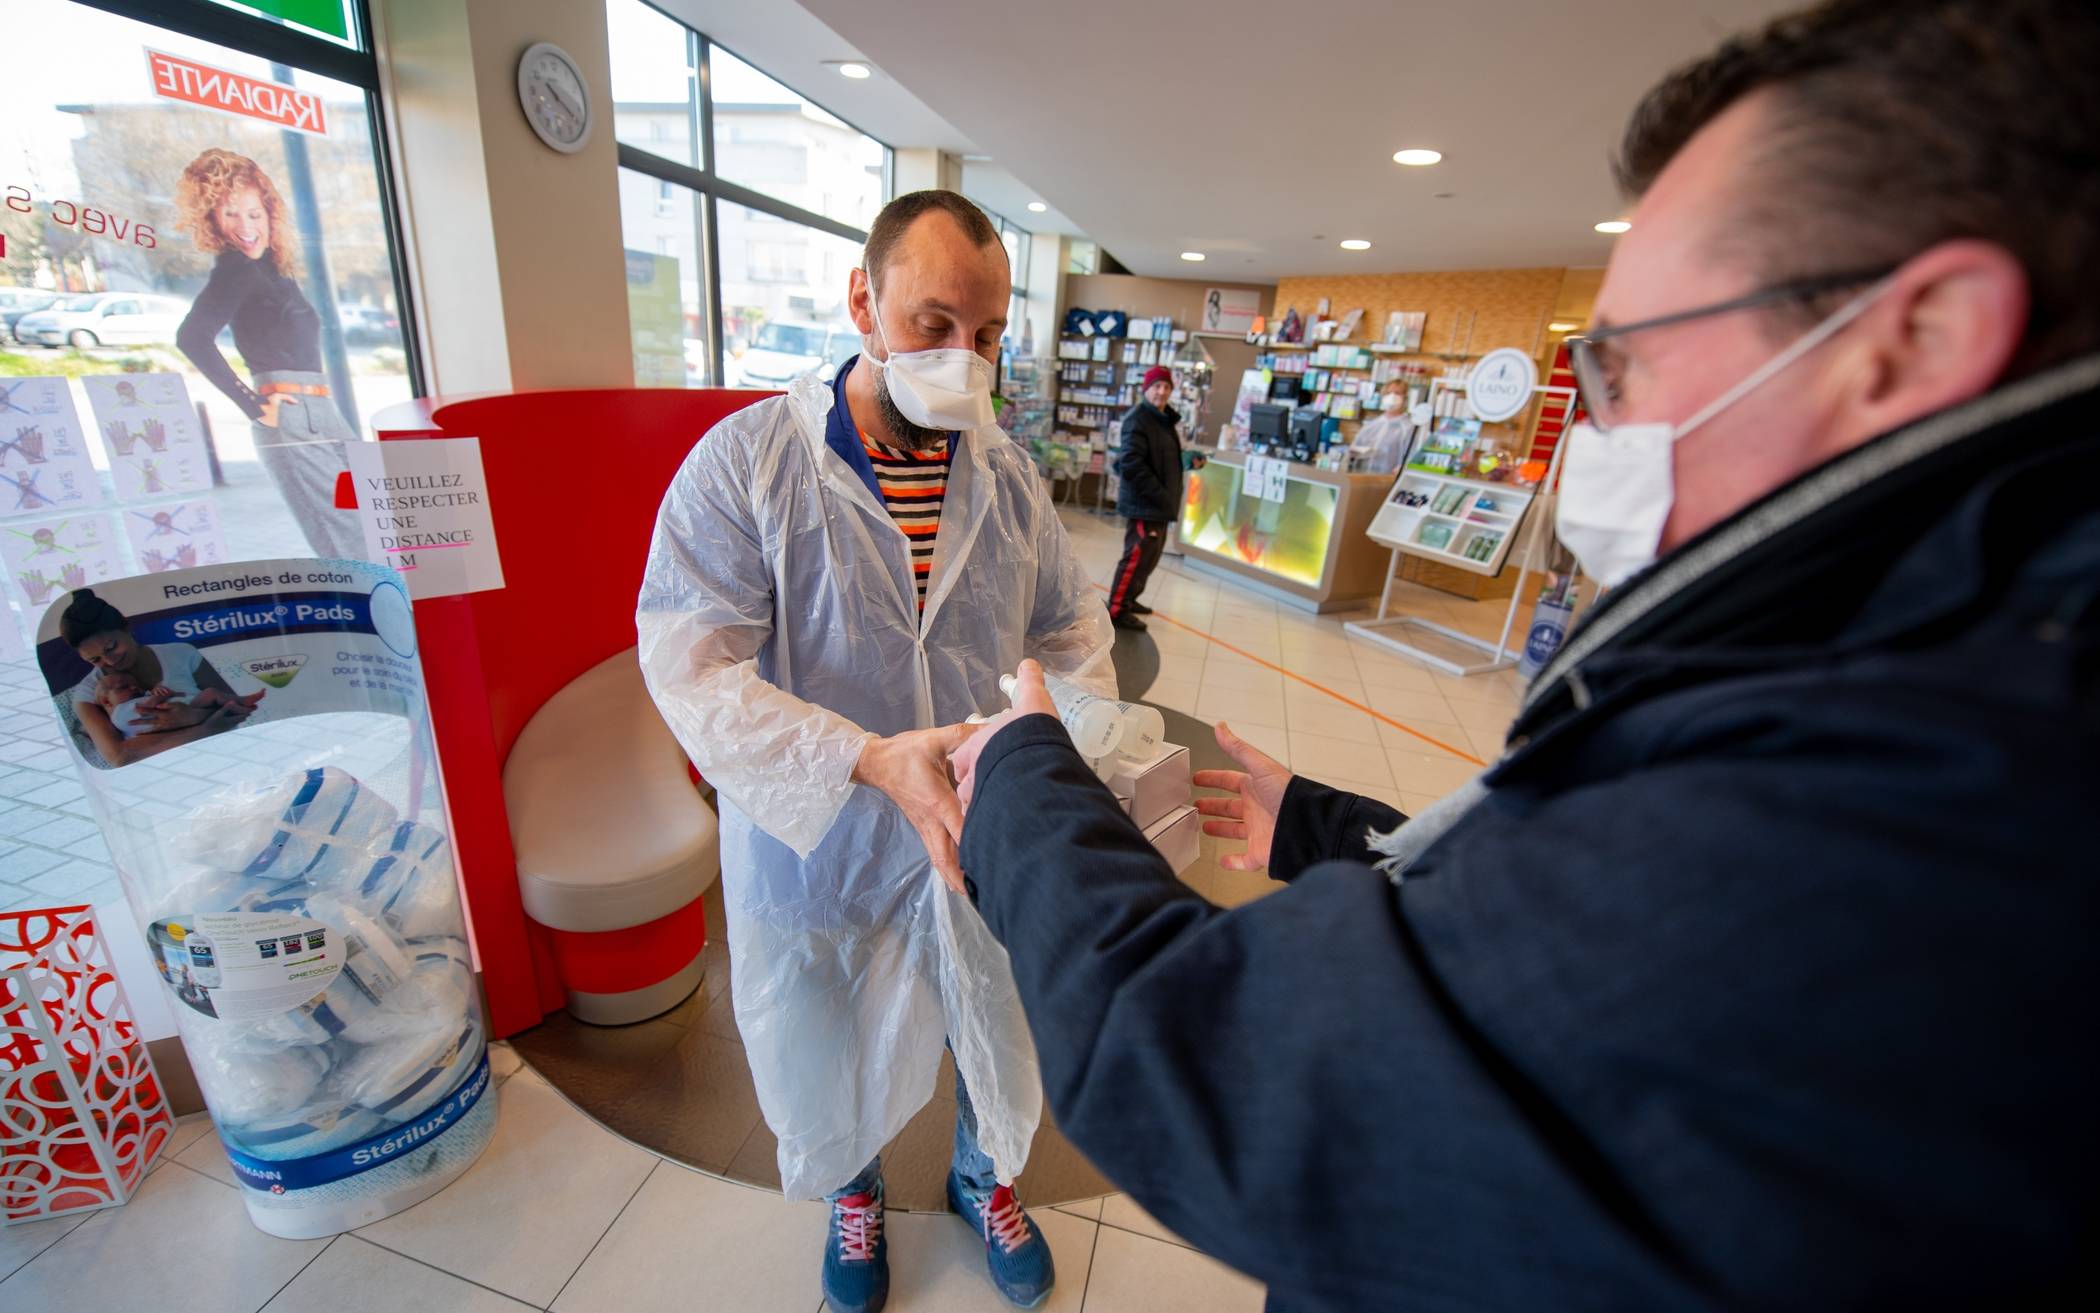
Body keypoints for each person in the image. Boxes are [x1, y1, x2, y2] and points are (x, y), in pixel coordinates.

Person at [946, 2, 2099, 1309]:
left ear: (1916, 340)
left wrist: (1023, 777)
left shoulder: (1931, 806)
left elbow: (1233, 1071)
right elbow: (1551, 915)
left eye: (1629, 364)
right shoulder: (1913, 661)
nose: (1597, 427)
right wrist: (1326, 826)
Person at [637, 189, 1114, 1313]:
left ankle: (983, 1175)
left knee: (994, 1006)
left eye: (987, 335)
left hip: (978, 816)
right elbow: (690, 664)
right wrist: (862, 756)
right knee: (822, 1017)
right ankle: (853, 1190)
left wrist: (1059, 741)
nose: (963, 359)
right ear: (863, 300)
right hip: (822, 832)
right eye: (932, 323)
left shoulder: (1006, 475)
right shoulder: (749, 463)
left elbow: (1073, 630)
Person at [174, 148, 364, 559]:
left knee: (370, 525)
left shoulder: (270, 269)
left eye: (254, 214)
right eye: (231, 214)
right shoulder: (236, 269)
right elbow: (192, 337)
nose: (246, 227)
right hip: (289, 413)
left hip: (321, 410)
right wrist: (254, 405)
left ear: (269, 214)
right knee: (348, 540)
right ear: (211, 219)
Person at [61, 589, 260, 767]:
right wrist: (203, 726)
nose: (110, 661)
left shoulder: (180, 653)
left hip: (220, 757)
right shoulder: (88, 693)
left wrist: (188, 720)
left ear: (126, 627)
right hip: (159, 771)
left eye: (112, 647)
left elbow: (236, 710)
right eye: (95, 659)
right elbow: (120, 756)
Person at [1108, 365, 1190, 629]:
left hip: (1159, 504)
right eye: (1157, 386)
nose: (1162, 392)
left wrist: (1188, 461)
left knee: (1149, 558)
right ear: (1146, 389)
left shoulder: (1163, 419)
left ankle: (1130, 599)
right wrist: (1160, 494)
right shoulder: (1138, 419)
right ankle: (1117, 608)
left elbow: (1161, 458)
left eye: (1166, 387)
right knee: (1136, 557)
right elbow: (1132, 464)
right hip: (1145, 503)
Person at [1349, 383, 1414, 474]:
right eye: (1388, 393)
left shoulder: (1408, 428)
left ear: (1405, 398)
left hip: (1389, 479)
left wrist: (1403, 468)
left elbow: (1412, 457)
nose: (1392, 397)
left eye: (1397, 393)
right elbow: (1354, 450)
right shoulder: (1371, 426)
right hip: (1361, 476)